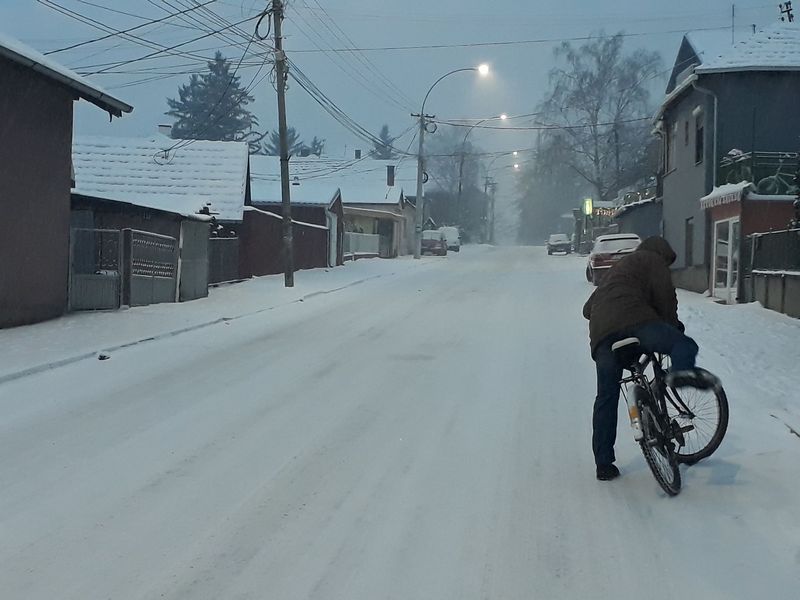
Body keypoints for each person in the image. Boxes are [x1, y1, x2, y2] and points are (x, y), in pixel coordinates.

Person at [582, 236, 719, 481]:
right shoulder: (653, 261)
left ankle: (604, 464)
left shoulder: (618, 270)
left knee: (606, 396)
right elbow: (666, 299)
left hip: (603, 338)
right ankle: (680, 374)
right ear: (662, 253)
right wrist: (673, 329)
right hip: (637, 324)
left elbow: (586, 310)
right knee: (683, 345)